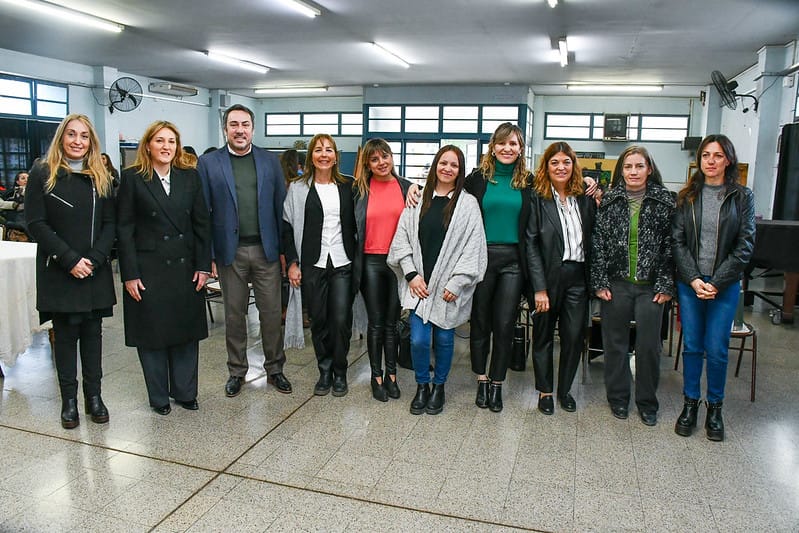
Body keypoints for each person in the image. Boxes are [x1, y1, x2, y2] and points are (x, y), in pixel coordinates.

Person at [25, 114, 116, 429]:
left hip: (94, 269)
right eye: (72, 134)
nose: (78, 141)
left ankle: (94, 397)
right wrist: (70, 260)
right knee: (64, 337)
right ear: (61, 138)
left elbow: (110, 224)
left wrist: (95, 259)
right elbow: (36, 222)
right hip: (60, 269)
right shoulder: (43, 172)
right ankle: (69, 401)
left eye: (84, 136)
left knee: (93, 335)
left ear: (92, 142)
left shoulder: (100, 175)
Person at [117, 121, 211, 415]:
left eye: (171, 141)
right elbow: (124, 229)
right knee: (152, 335)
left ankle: (185, 392)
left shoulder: (190, 177)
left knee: (185, 333)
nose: (166, 146)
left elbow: (202, 224)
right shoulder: (133, 178)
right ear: (148, 145)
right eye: (159, 141)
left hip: (185, 267)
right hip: (149, 269)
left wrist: (203, 266)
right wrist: (129, 274)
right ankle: (158, 397)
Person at [197, 104, 292, 397]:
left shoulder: (269, 161)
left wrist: (285, 253)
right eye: (234, 124)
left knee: (271, 313)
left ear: (253, 128)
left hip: (266, 251)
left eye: (245, 124)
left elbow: (281, 209)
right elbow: (203, 213)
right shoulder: (209, 163)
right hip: (230, 252)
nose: (240, 130)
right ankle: (237, 372)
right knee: (235, 315)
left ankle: (275, 369)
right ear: (225, 129)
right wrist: (209, 256)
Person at [388, 145, 487, 415]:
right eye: (443, 163)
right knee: (419, 340)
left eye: (454, 165)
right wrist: (411, 274)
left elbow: (474, 247)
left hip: (447, 288)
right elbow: (401, 240)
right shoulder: (417, 199)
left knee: (444, 340)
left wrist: (457, 282)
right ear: (435, 165)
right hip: (420, 285)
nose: (447, 168)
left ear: (460, 171)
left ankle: (439, 387)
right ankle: (422, 385)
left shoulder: (468, 205)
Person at [672, 134, 755, 441]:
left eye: (718, 155)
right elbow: (678, 242)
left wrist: (716, 282)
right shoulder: (687, 196)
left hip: (725, 285)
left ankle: (715, 408)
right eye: (706, 155)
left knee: (717, 348)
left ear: (728, 160)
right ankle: (690, 403)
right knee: (692, 345)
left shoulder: (742, 197)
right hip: (690, 283)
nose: (711, 161)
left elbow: (745, 245)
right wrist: (694, 278)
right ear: (699, 160)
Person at [590, 146, 675, 425]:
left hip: (651, 287)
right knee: (615, 344)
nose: (634, 172)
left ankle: (647, 402)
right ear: (621, 170)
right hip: (616, 284)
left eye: (639, 166)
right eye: (628, 167)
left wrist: (665, 283)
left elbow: (670, 246)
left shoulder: (664, 201)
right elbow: (598, 243)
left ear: (649, 169)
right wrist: (599, 281)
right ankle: (618, 398)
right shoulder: (609, 200)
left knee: (649, 346)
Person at [465, 122, 533, 413]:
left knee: (505, 324)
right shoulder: (476, 180)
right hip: (482, 258)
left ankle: (497, 383)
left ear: (520, 149)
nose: (507, 148)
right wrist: (414, 190)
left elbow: (561, 190)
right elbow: (446, 192)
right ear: (492, 147)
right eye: (502, 143)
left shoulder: (529, 181)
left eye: (513, 144)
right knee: (481, 321)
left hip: (514, 261)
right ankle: (481, 378)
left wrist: (592, 185)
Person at [283, 134, 358, 397]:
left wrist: (412, 188)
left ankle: (340, 371)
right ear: (311, 157)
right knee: (319, 319)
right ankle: (324, 371)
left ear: (336, 156)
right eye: (318, 150)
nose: (324, 154)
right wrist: (292, 262)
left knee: (340, 319)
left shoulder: (349, 186)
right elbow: (287, 226)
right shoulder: (298, 188)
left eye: (328, 150)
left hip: (342, 261)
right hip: (312, 262)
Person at [525, 141, 595, 415]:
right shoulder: (537, 198)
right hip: (547, 278)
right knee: (543, 336)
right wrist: (539, 288)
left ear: (573, 166)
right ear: (546, 167)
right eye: (554, 162)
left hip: (578, 278)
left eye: (566, 162)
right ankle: (545, 391)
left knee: (573, 337)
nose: (561, 167)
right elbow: (531, 244)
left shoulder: (584, 196)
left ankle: (565, 390)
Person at [354, 138, 413, 401]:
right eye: (374, 159)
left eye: (385, 156)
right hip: (370, 262)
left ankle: (392, 375)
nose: (381, 162)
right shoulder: (359, 190)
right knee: (376, 323)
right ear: (367, 164)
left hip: (398, 264)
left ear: (392, 157)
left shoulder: (407, 188)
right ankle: (376, 377)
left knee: (392, 323)